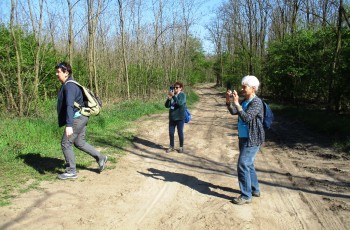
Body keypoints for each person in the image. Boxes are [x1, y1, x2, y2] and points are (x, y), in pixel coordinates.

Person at [55, 62, 108, 180]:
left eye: (59, 72)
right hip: (82, 117)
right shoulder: (70, 84)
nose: (56, 74)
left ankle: (71, 171)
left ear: (66, 73)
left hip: (76, 118)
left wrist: (69, 125)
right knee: (79, 142)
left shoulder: (69, 86)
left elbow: (69, 105)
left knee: (66, 143)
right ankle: (101, 158)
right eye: (57, 71)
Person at [225, 75, 265, 205]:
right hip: (243, 137)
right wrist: (229, 101)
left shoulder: (257, 102)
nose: (242, 89)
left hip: (253, 138)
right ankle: (255, 189)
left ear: (253, 88)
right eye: (242, 86)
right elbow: (233, 112)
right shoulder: (245, 101)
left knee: (242, 164)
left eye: (244, 86)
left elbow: (247, 117)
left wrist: (237, 104)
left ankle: (246, 195)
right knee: (248, 164)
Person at [165, 82, 186, 153]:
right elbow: (166, 106)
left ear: (181, 88)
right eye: (174, 87)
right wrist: (169, 99)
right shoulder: (173, 95)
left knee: (180, 132)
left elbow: (180, 103)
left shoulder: (182, 95)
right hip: (172, 118)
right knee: (171, 133)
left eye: (177, 87)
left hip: (180, 118)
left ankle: (181, 147)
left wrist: (173, 96)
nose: (175, 89)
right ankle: (171, 146)